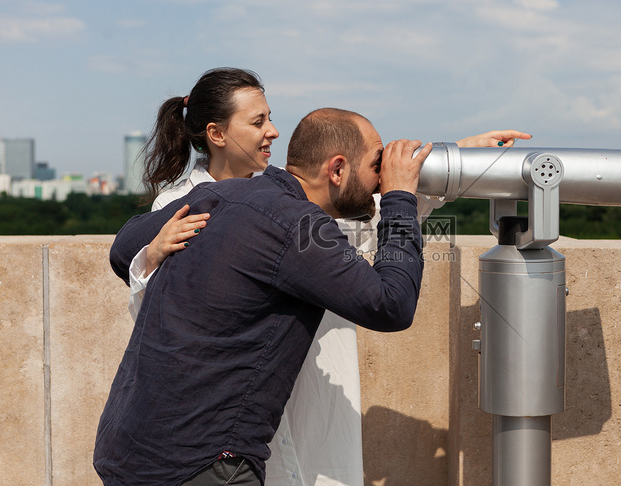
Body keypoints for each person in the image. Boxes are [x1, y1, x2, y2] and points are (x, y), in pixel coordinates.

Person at [124, 67, 533, 485]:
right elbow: (156, 302)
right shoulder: (182, 204)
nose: (273, 132)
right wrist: (147, 254)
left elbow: (369, 212)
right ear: (217, 133)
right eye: (258, 121)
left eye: (271, 117)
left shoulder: (294, 201)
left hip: (301, 408)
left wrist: (458, 158)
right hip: (218, 422)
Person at [95, 107, 432, 485]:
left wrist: (156, 248)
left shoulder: (220, 193)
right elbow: (391, 306)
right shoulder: (298, 225)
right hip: (203, 465)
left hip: (129, 451)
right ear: (337, 170)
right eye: (377, 165)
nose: (380, 181)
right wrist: (400, 197)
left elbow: (123, 249)